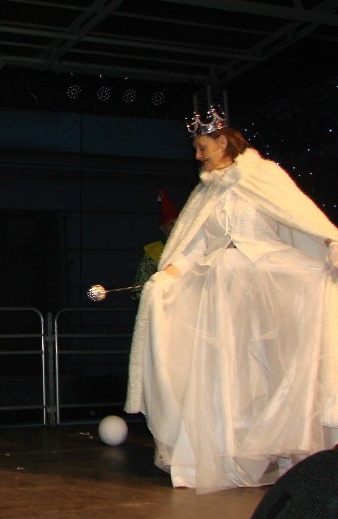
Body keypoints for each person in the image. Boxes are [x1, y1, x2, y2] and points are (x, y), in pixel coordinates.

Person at [125, 105, 337, 493]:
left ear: (223, 141)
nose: (197, 155)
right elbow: (193, 245)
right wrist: (165, 276)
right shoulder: (206, 191)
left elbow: (301, 216)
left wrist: (330, 241)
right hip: (219, 290)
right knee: (223, 373)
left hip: (266, 282)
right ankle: (220, 453)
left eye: (202, 146)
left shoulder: (264, 175)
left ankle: (285, 450)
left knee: (268, 368)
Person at [132, 189, 179, 300]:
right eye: (171, 224)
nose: (175, 227)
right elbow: (140, 288)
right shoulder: (153, 253)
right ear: (162, 228)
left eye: (178, 223)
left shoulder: (192, 248)